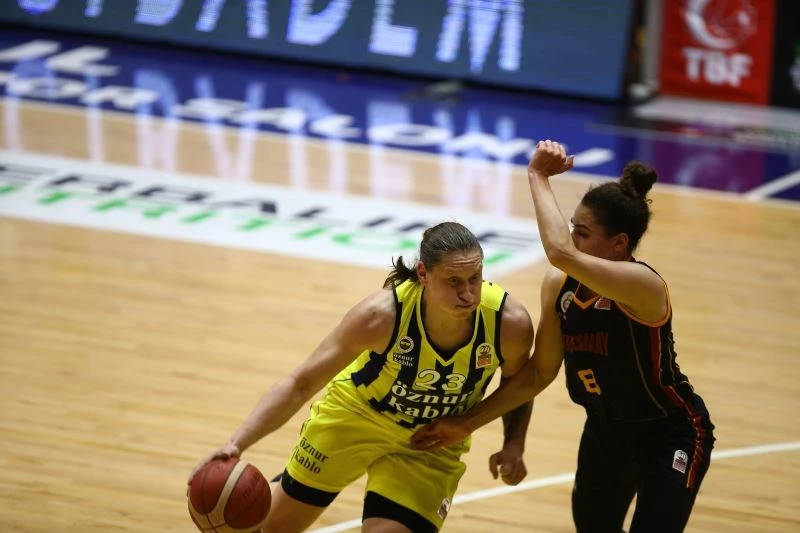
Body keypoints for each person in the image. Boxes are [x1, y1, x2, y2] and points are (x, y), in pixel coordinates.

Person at [411, 141, 716, 533]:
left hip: (668, 432)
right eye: (572, 228)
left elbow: (559, 252)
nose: (571, 238)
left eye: (582, 233)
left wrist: (537, 175)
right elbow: (539, 373)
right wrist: (469, 424)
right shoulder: (560, 285)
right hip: (605, 430)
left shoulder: (643, 286)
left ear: (619, 243)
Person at [189, 221, 536, 533]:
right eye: (454, 281)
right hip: (355, 417)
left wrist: (513, 444)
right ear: (423, 274)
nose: (468, 293)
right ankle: (287, 488)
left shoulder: (508, 323)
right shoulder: (379, 316)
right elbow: (301, 383)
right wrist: (237, 443)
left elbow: (520, 383)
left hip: (431, 441)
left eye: (475, 278)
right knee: (274, 528)